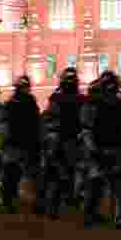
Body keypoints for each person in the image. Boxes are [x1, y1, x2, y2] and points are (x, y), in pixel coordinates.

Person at [80, 71, 121, 229]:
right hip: (101, 149)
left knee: (118, 185)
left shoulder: (120, 104)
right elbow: (87, 129)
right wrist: (93, 150)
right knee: (98, 184)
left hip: (115, 149)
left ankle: (119, 217)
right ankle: (91, 215)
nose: (110, 90)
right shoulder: (95, 105)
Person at [38, 68, 85, 219]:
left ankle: (50, 203)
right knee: (62, 173)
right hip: (66, 140)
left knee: (57, 174)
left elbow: (49, 117)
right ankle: (55, 202)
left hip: (65, 140)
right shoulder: (76, 99)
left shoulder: (59, 98)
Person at [0, 76, 40, 214]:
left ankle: (10, 201)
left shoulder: (13, 103)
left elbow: (4, 125)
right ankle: (11, 201)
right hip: (20, 144)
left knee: (15, 174)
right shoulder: (27, 103)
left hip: (19, 144)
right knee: (19, 174)